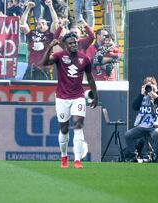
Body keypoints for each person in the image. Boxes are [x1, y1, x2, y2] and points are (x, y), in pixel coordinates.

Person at [42, 32, 99, 169]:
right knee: (64, 128)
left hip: (78, 97)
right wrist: (50, 47)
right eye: (71, 43)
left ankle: (77, 160)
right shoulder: (59, 56)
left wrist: (96, 95)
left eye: (75, 42)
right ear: (65, 45)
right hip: (62, 98)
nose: (74, 44)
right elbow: (44, 63)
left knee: (78, 125)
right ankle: (64, 156)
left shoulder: (84, 59)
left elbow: (90, 78)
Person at [124, 76, 158, 163]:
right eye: (147, 85)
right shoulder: (142, 97)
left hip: (156, 125)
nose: (149, 88)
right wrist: (141, 95)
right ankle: (133, 156)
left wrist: (156, 97)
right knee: (128, 135)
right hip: (142, 125)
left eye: (151, 85)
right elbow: (134, 107)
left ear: (155, 85)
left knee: (157, 133)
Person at [20, 0, 59, 80]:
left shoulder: (49, 34)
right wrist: (28, 8)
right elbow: (23, 24)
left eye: (43, 23)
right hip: (31, 67)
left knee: (45, 90)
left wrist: (50, 6)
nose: (40, 25)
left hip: (44, 69)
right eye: (38, 23)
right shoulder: (32, 34)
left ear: (47, 26)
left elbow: (55, 22)